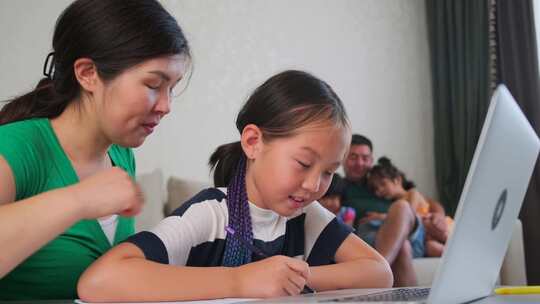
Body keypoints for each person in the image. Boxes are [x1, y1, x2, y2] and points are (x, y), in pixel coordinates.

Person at [77, 70, 393, 302]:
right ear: (254, 142)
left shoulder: (305, 214)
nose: (313, 185)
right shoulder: (210, 213)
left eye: (328, 172)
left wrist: (293, 277)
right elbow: (99, 280)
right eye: (303, 164)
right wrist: (240, 281)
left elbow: (379, 272)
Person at [0, 0, 190, 300]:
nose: (166, 106)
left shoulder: (121, 156)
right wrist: (80, 199)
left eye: (172, 88)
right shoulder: (15, 147)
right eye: (154, 84)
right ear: (88, 73)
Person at [341, 134, 445, 286]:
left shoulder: (382, 180)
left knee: (401, 206)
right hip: (372, 236)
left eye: (365, 158)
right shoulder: (339, 186)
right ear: (343, 157)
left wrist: (438, 215)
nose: (359, 163)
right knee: (402, 247)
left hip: (411, 233)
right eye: (353, 157)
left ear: (371, 160)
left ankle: (377, 271)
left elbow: (428, 202)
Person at [367, 157, 453, 258]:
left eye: (383, 184)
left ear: (397, 180)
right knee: (431, 248)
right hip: (426, 236)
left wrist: (382, 217)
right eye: (376, 189)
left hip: (436, 225)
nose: (380, 191)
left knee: (443, 236)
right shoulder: (395, 203)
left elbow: (409, 215)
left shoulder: (412, 193)